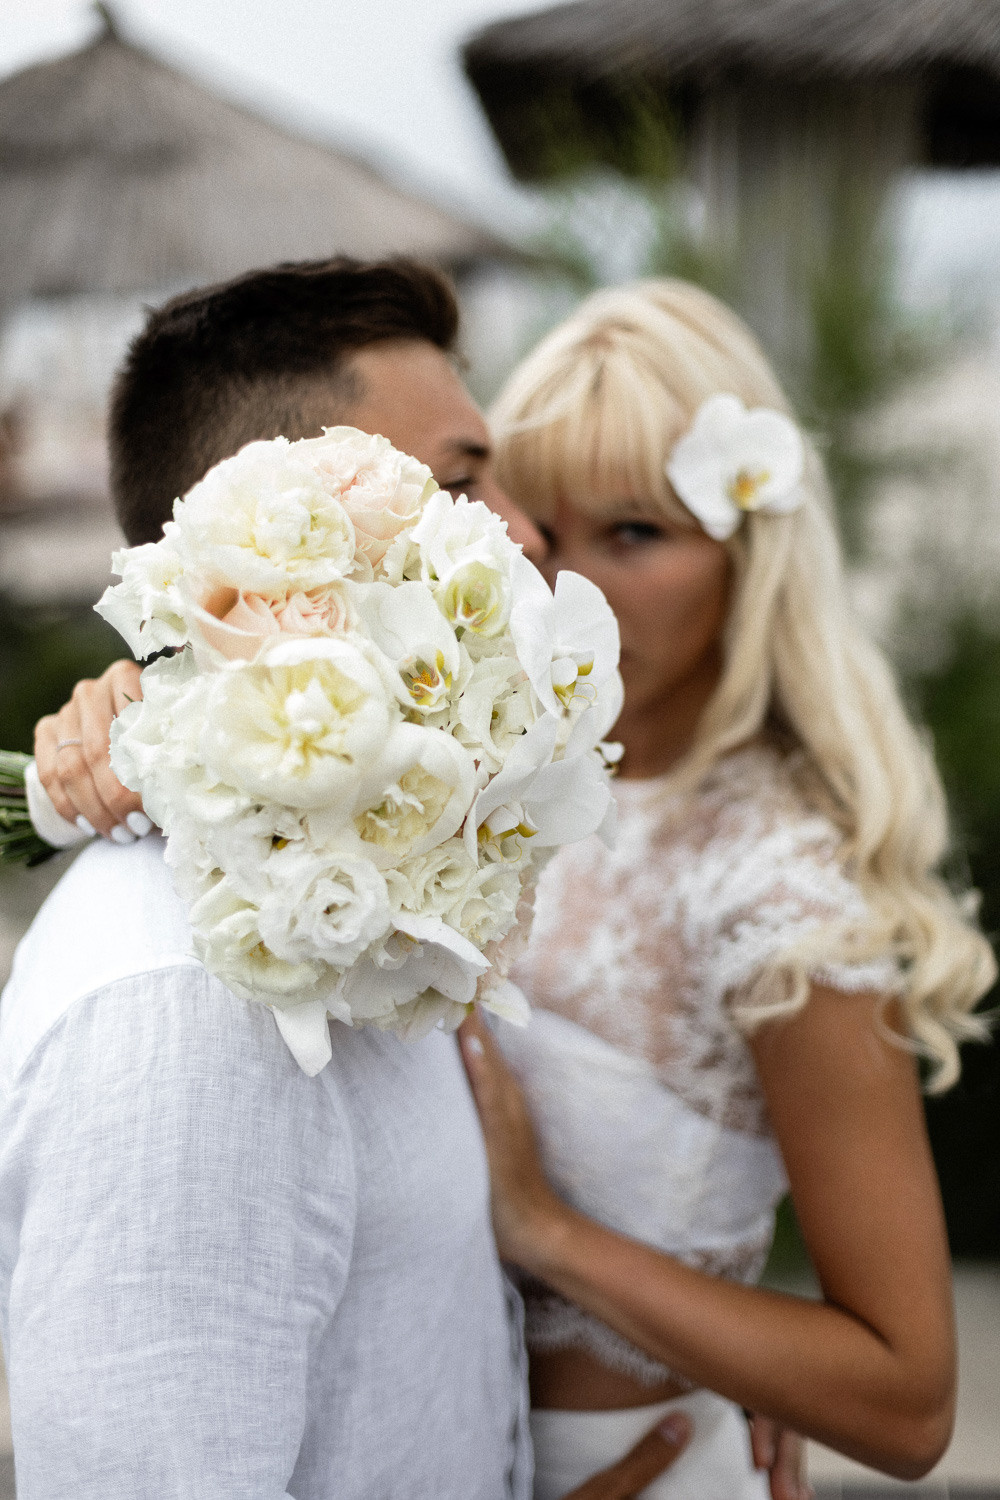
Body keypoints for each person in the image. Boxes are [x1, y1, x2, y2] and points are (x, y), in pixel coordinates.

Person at [22, 264, 808, 1500]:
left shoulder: (379, 871)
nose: (528, 533)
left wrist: (702, 1359)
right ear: (272, 539)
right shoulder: (182, 1016)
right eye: (458, 484)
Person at [448, 278, 996, 1499]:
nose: (573, 589)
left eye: (634, 533)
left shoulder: (779, 886)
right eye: (542, 530)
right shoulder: (469, 782)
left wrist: (548, 1232)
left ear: (750, 554)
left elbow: (906, 1401)